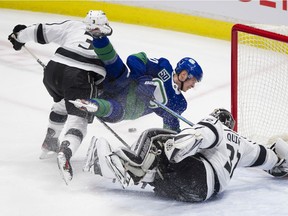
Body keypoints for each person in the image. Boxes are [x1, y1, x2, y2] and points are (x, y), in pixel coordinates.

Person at [83, 108, 288, 202]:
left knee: (155, 136)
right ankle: (136, 170)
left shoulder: (216, 126)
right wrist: (280, 162)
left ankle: (129, 167)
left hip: (196, 176)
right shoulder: (244, 145)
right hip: (200, 193)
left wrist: (180, 143)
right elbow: (267, 158)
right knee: (161, 165)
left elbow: (202, 134)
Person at [7, 10, 111, 184]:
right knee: (79, 121)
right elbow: (106, 78)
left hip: (53, 70)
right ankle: (65, 151)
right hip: (79, 77)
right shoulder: (106, 47)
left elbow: (42, 31)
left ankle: (51, 141)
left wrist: (19, 36)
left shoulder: (74, 26)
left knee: (62, 104)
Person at [71, 10, 203, 133]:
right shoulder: (164, 67)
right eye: (193, 81)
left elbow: (171, 124)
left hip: (130, 109)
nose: (193, 85)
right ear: (184, 75)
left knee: (115, 109)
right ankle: (99, 36)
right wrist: (142, 79)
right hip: (124, 83)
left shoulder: (179, 103)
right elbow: (135, 59)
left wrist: (179, 138)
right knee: (115, 66)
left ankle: (93, 105)